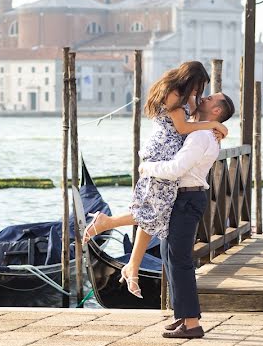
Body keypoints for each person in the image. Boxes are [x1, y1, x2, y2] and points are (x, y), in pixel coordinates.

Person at [82, 61, 227, 297]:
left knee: (153, 211)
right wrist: (213, 124)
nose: (199, 94)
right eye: (199, 87)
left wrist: (213, 130)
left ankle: (132, 266)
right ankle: (106, 224)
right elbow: (182, 128)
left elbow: (191, 124)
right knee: (154, 212)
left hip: (171, 152)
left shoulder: (186, 96)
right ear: (191, 80)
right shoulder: (172, 94)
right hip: (161, 153)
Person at [140, 92, 236, 339]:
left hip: (187, 197)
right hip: (182, 198)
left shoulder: (201, 136)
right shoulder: (203, 130)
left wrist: (146, 167)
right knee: (168, 255)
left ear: (217, 111)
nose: (204, 98)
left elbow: (176, 169)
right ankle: (182, 315)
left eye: (211, 98)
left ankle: (192, 323)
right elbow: (188, 101)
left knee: (180, 260)